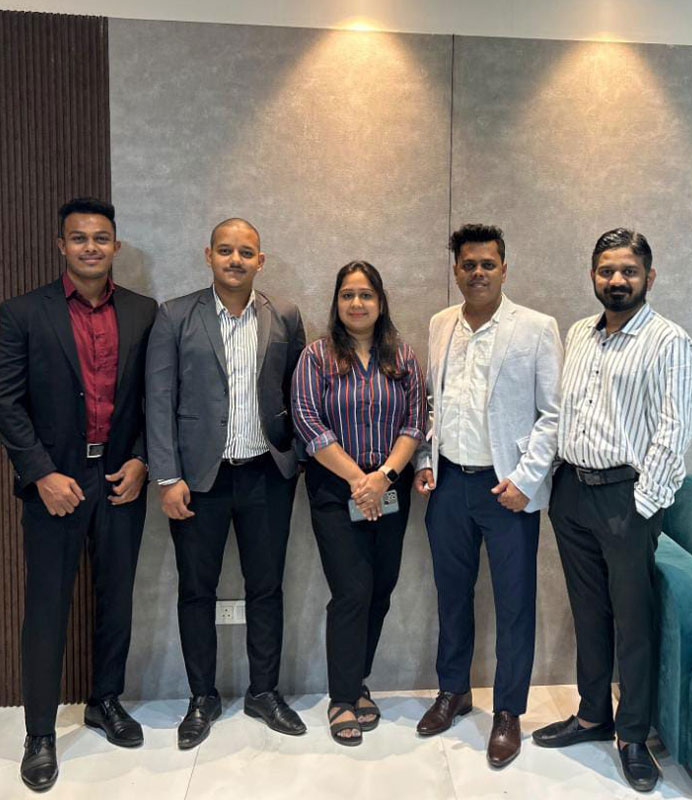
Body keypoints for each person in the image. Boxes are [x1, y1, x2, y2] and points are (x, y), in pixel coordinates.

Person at [0, 197, 157, 791]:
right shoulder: (22, 313)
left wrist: (141, 458)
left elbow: (154, 397)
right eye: (79, 238)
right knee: (47, 605)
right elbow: (7, 403)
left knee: (117, 597)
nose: (91, 247)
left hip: (120, 477)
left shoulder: (143, 312)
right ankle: (40, 732)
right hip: (55, 482)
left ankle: (105, 701)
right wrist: (41, 473)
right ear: (61, 245)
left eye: (101, 238)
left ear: (116, 245)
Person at [532, 229, 692, 792]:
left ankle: (632, 735)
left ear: (650, 277)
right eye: (607, 270)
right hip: (572, 494)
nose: (617, 280)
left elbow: (674, 431)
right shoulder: (580, 332)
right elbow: (563, 410)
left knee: (633, 621)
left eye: (629, 270)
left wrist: (642, 505)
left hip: (626, 498)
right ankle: (592, 715)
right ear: (593, 276)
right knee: (589, 613)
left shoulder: (669, 341)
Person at [145, 217, 306, 749]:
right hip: (198, 481)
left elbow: (297, 391)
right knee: (196, 590)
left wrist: (296, 458)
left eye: (246, 252)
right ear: (208, 255)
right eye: (225, 250)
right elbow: (159, 400)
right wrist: (168, 476)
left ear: (261, 260)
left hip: (267, 475)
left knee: (267, 587)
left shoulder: (284, 315)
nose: (235, 260)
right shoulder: (174, 316)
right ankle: (202, 697)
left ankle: (264, 692)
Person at [414, 224, 562, 767]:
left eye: (488, 264)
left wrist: (526, 480)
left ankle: (507, 711)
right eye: (468, 264)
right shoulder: (440, 324)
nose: (478, 272)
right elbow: (431, 403)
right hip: (449, 484)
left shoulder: (536, 328)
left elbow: (554, 414)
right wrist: (425, 461)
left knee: (515, 602)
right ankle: (453, 691)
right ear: (455, 270)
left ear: (504, 268)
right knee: (451, 594)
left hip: (507, 490)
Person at [292, 260, 426, 746]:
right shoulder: (317, 356)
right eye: (347, 294)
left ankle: (358, 681)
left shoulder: (402, 356)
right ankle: (342, 698)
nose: (356, 303)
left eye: (366, 294)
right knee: (351, 591)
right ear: (337, 302)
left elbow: (416, 421)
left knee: (381, 589)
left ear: (380, 301)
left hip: (389, 485)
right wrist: (357, 480)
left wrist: (382, 477)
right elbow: (307, 422)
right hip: (335, 489)